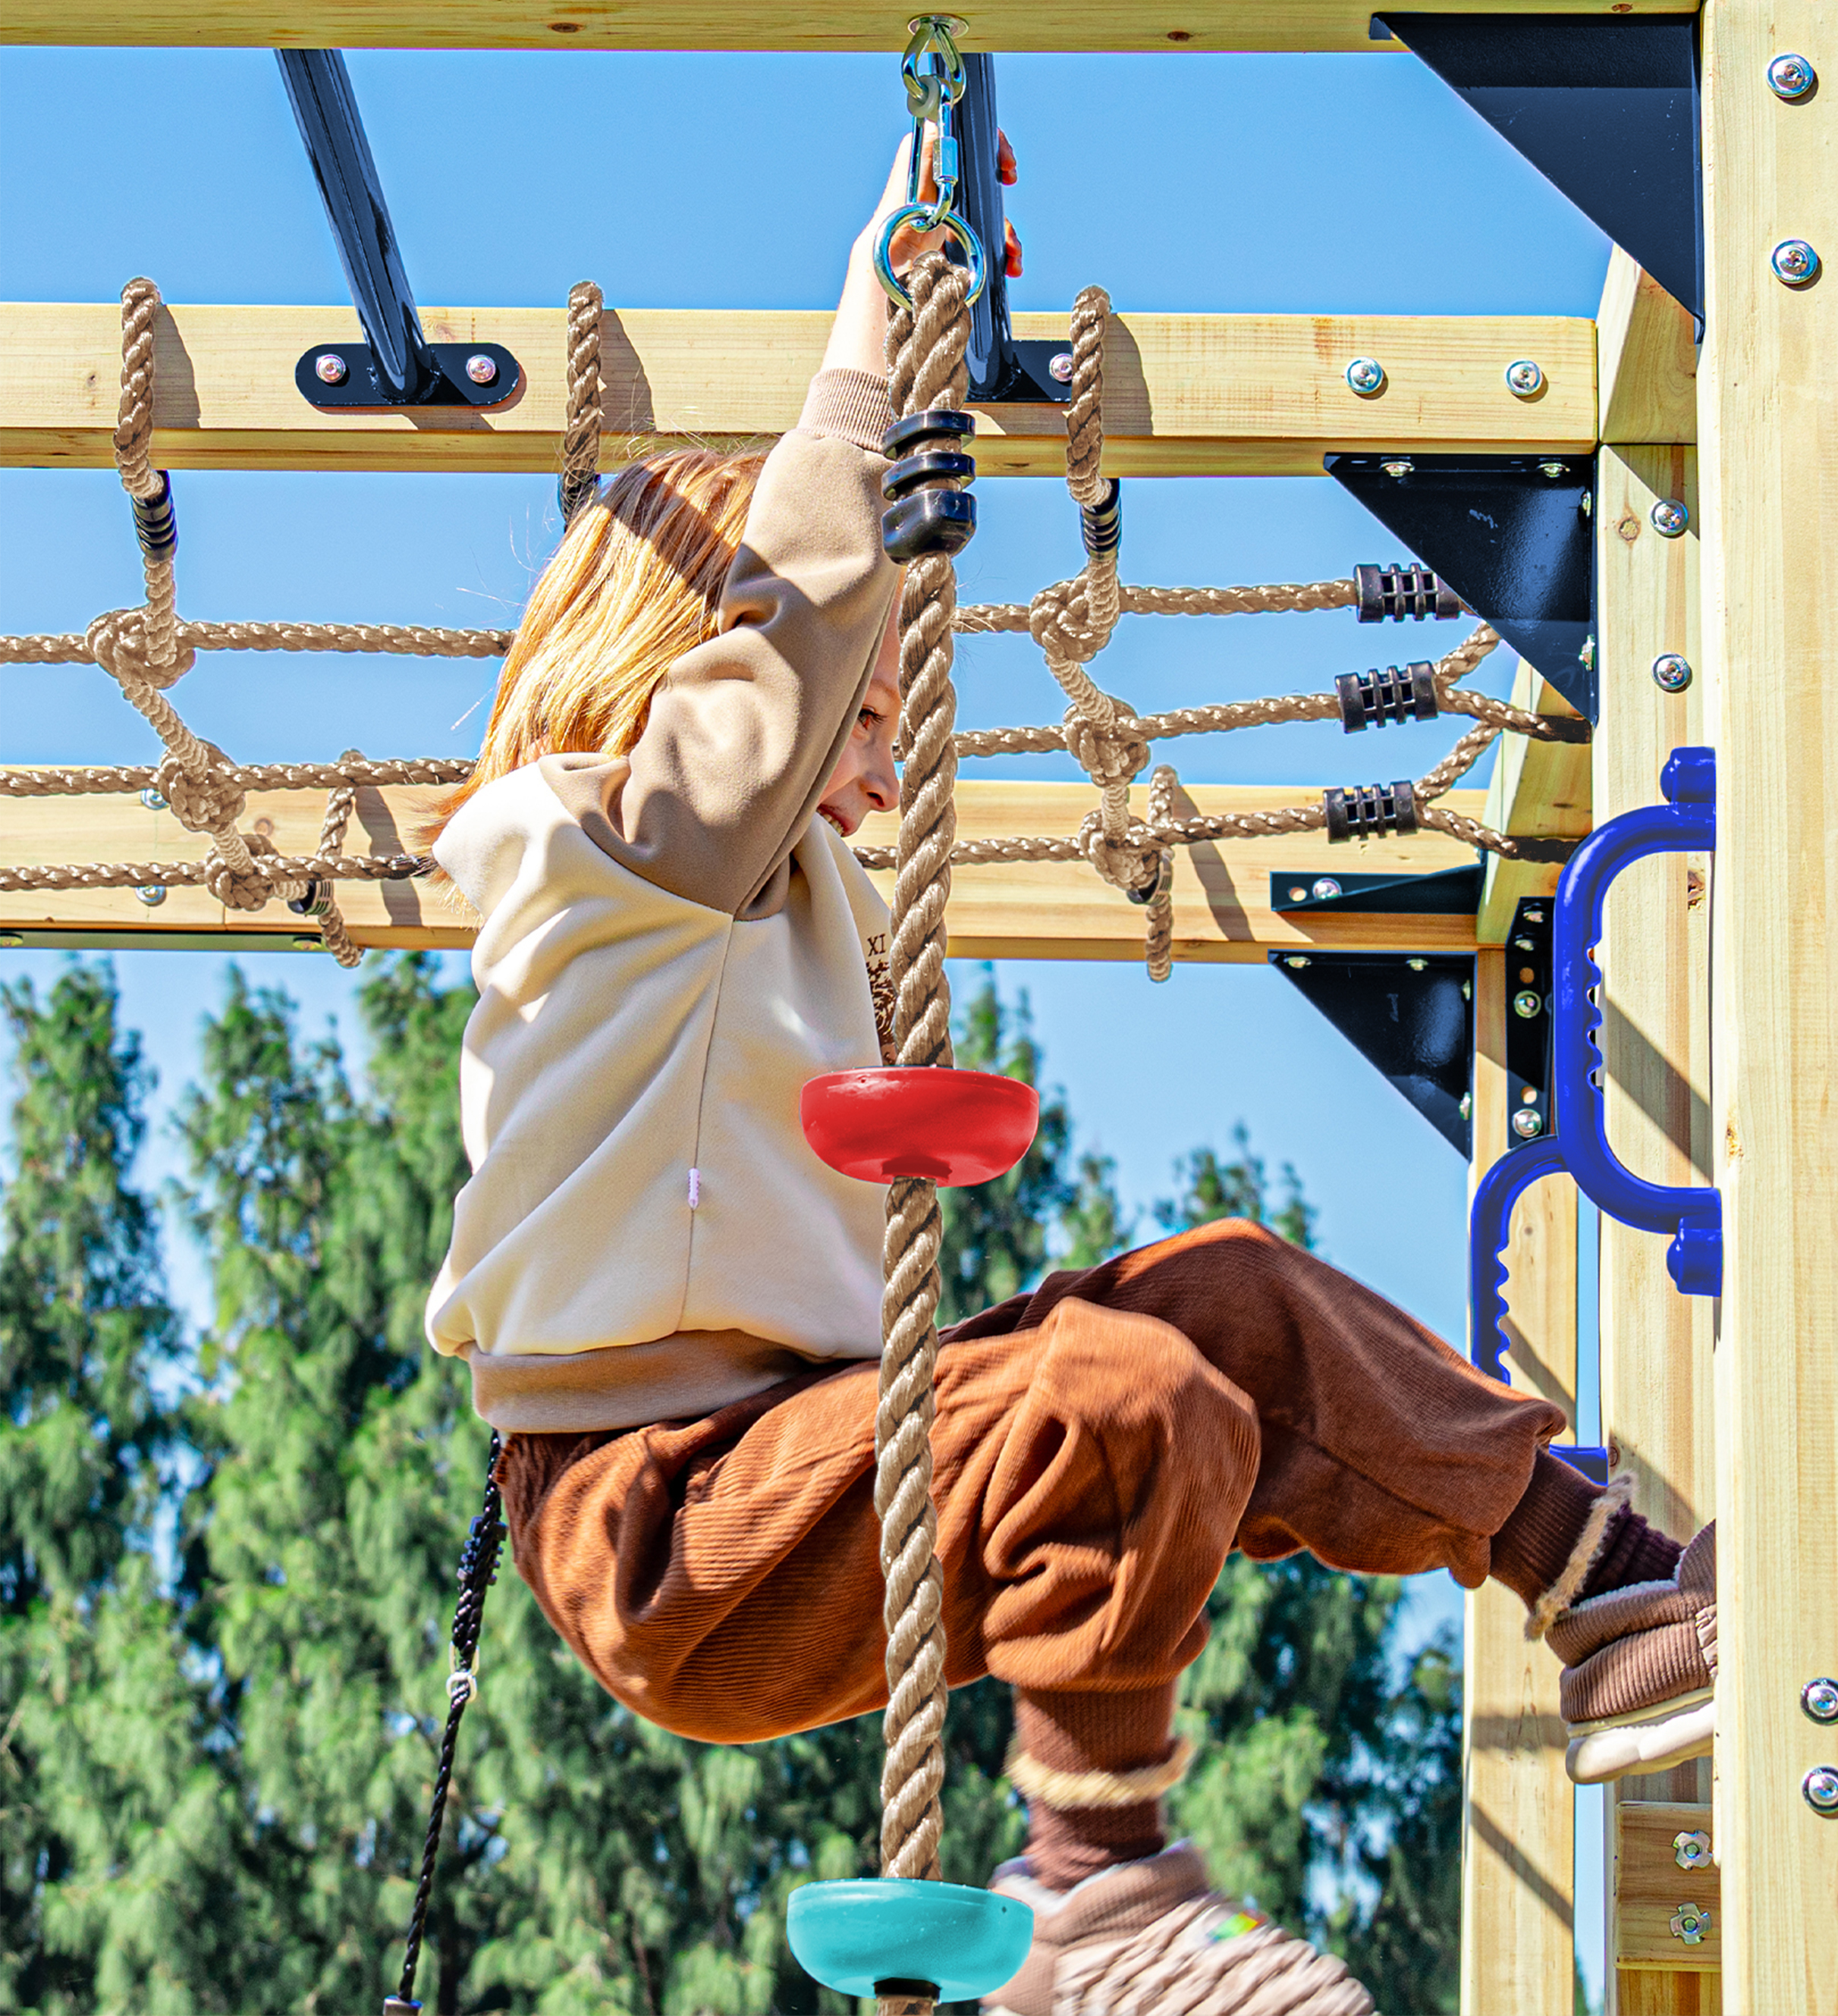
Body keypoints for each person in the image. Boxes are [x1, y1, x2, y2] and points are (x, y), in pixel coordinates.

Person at [419, 132, 1729, 2015]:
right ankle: (1100, 1890)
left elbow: (789, 683)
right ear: (674, 689)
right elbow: (783, 638)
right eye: (856, 732)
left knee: (1235, 1307)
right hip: (668, 1522)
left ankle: (1605, 1581)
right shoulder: (610, 856)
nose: (875, 777)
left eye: (884, 734)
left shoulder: (759, 893)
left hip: (812, 1455)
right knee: (1109, 1396)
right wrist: (890, 319)